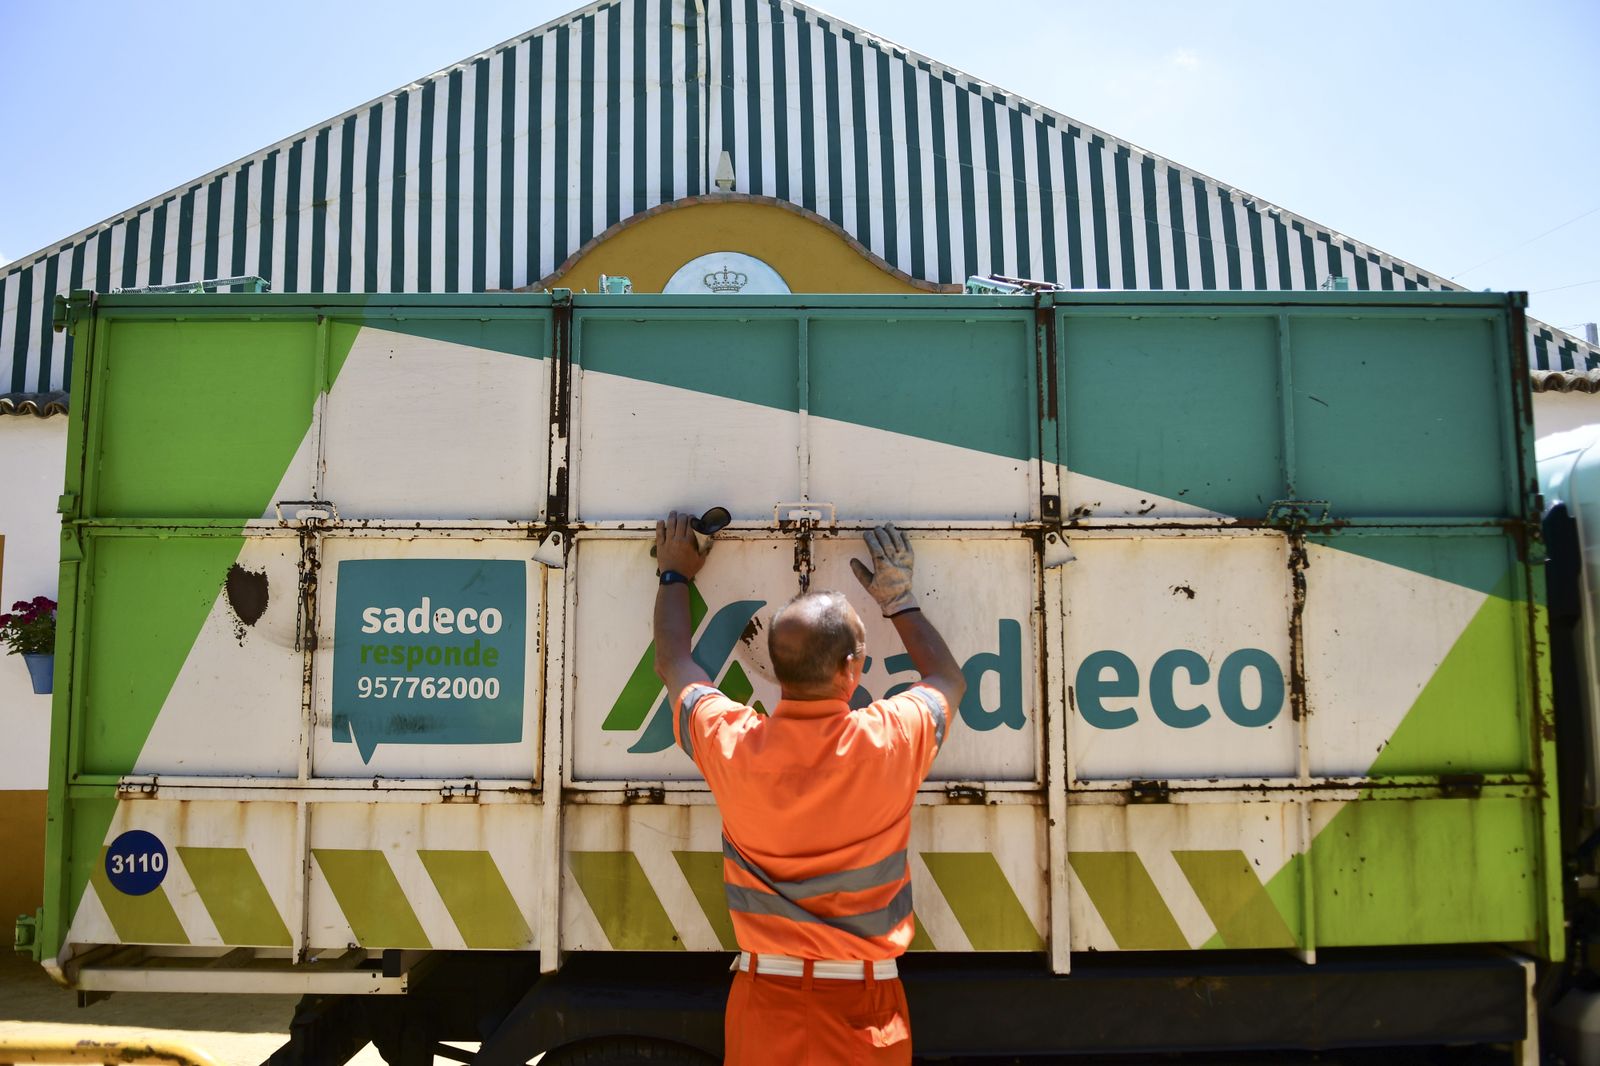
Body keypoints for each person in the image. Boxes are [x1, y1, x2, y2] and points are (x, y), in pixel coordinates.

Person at [652, 511, 968, 1065]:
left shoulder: (732, 742)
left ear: (776, 668)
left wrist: (675, 573)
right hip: (866, 1007)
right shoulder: (890, 739)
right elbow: (946, 680)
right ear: (853, 668)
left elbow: (674, 661)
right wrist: (899, 600)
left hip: (763, 1002)